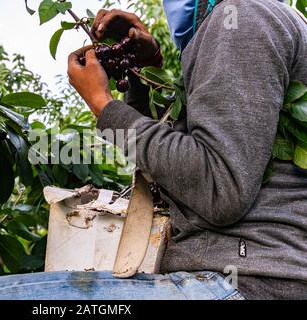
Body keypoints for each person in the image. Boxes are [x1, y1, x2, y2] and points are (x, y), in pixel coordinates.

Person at [66, 0, 307, 299]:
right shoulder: (241, 21)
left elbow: (220, 187)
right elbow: (180, 170)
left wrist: (103, 106)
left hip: (247, 281)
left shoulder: (242, 17)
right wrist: (144, 72)